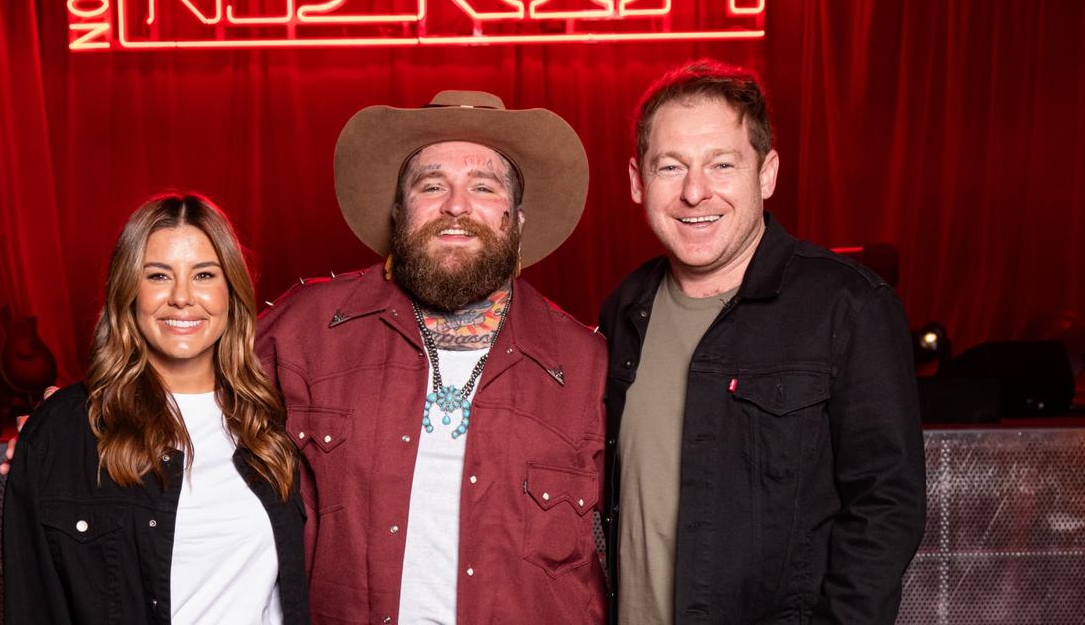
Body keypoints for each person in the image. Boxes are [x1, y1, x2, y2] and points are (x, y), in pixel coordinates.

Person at [256, 90, 608, 623]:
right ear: (399, 211)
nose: (457, 205)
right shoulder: (303, 329)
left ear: (516, 217)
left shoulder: (589, 367)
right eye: (432, 184)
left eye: (483, 187)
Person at [600, 61, 927, 624]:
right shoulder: (627, 306)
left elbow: (887, 508)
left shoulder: (848, 306)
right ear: (637, 182)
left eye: (722, 164)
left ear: (767, 173)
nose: (695, 191)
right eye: (670, 167)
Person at [2, 193, 308, 625]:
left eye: (204, 274)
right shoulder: (66, 430)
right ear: (128, 292)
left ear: (231, 292)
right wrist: (50, 436)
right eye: (158, 275)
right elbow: (33, 605)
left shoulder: (278, 420)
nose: (182, 298)